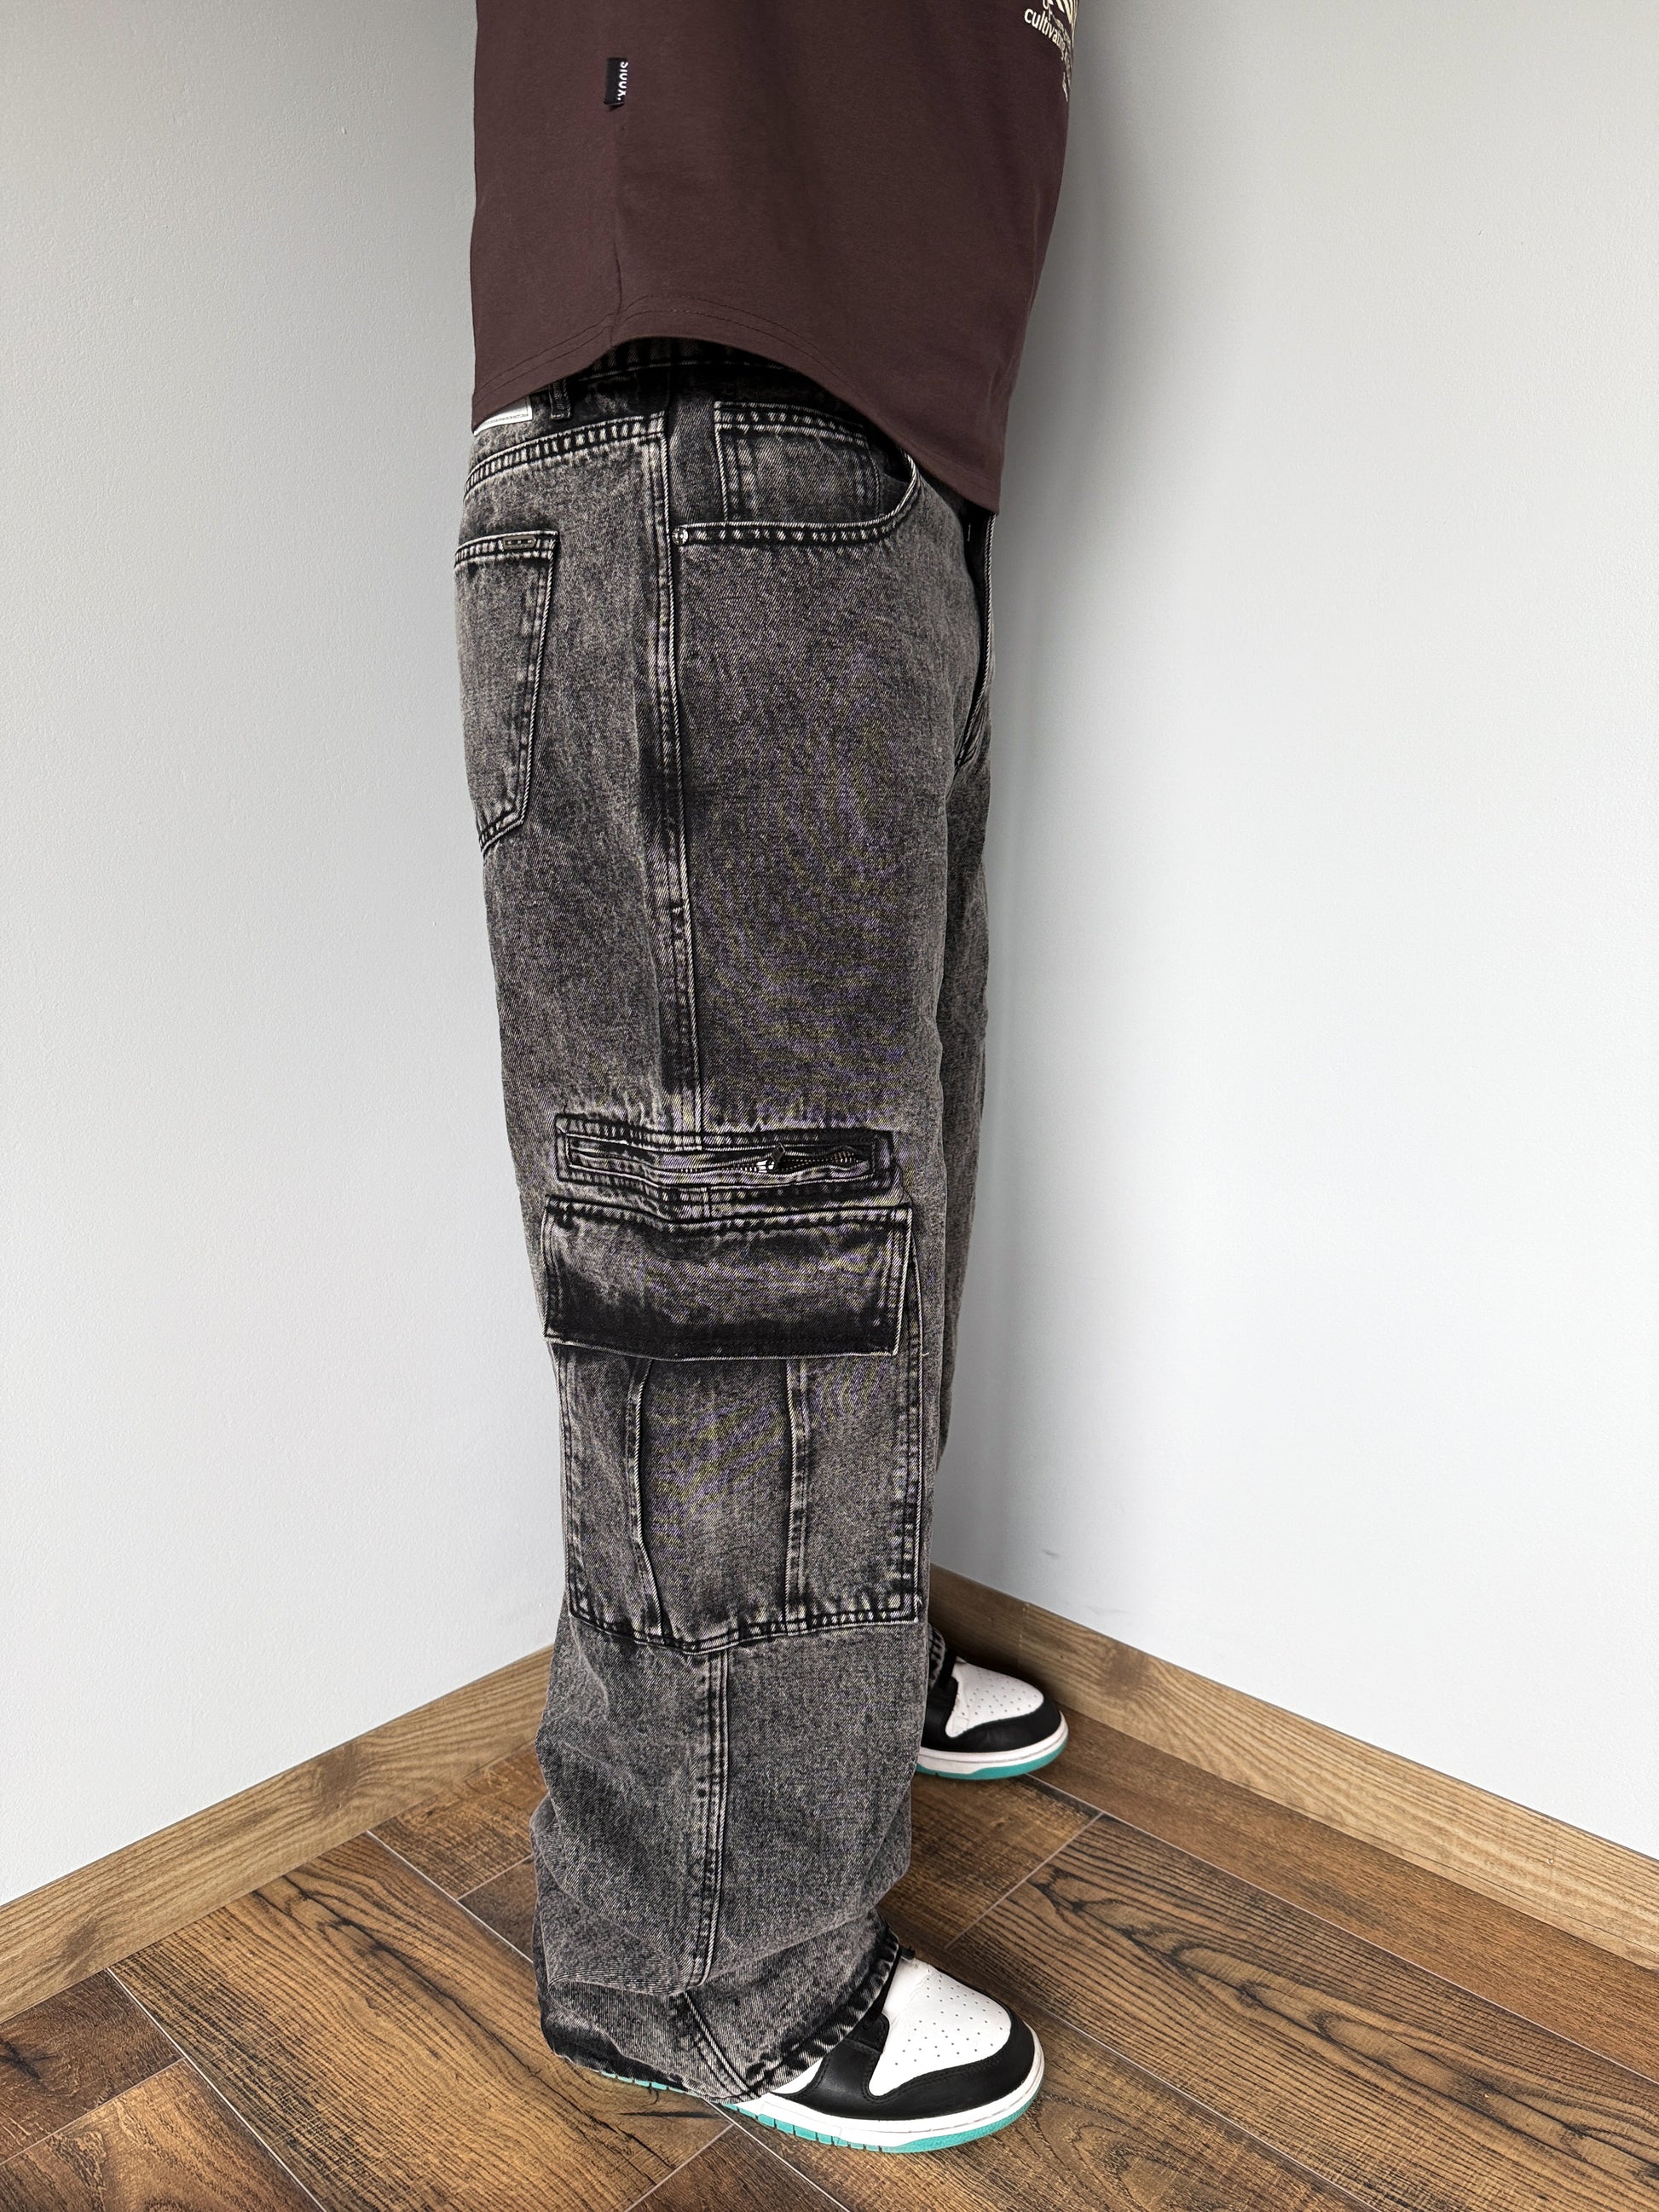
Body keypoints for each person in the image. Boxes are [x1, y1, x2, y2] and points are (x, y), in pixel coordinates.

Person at [456, 1, 1074, 2156]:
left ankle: (821, 1688)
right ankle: (704, 1962)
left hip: (882, 458)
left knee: (874, 1168)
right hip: (704, 408)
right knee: (738, 1234)